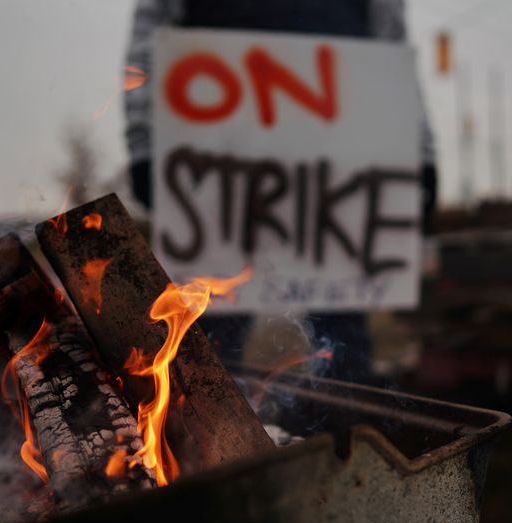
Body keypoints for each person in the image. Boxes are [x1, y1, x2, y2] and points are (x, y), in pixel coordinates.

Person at [124, 0, 437, 383]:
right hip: (218, 149)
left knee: (343, 350)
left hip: (338, 161)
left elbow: (392, 49)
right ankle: (198, 436)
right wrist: (144, 144)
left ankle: (346, 437)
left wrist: (420, 155)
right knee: (203, 348)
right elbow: (152, 30)